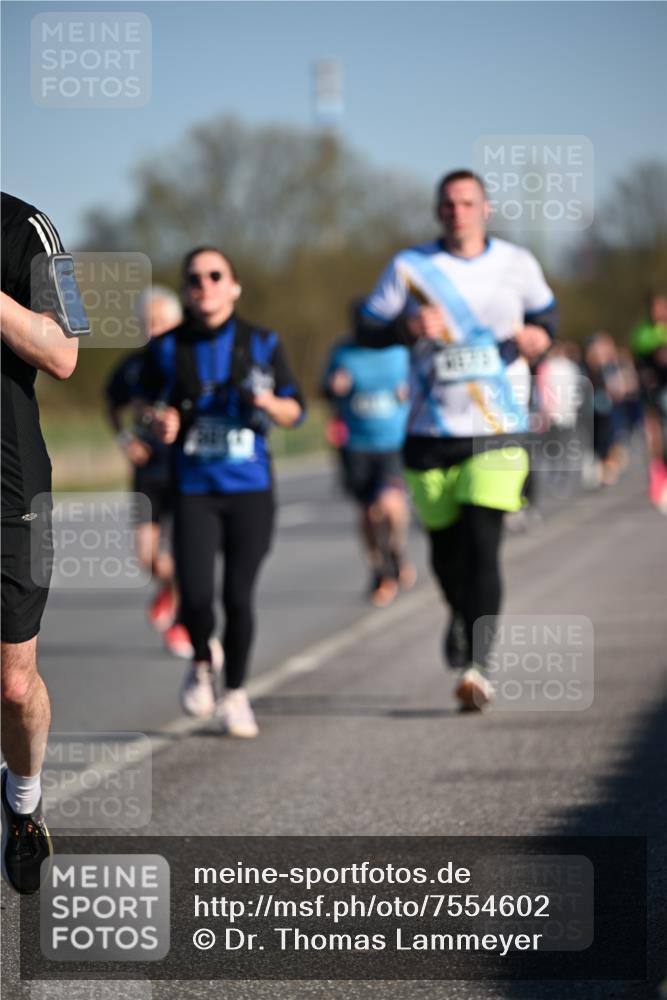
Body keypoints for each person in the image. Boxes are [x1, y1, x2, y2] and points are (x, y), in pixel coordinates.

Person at [357, 170, 556, 711]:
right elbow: (365, 327)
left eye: (467, 202)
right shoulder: (409, 266)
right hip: (429, 430)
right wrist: (406, 329)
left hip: (498, 428)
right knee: (446, 555)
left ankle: (479, 667)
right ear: (437, 210)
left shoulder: (517, 262)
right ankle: (459, 617)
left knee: (482, 542)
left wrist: (541, 336)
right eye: (448, 203)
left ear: (485, 208)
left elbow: (546, 317)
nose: (457, 211)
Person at [140, 247, 304, 737]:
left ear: (233, 286)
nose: (205, 284)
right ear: (187, 289)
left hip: (250, 489)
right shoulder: (167, 347)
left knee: (237, 595)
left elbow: (297, 410)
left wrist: (271, 403)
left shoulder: (262, 341)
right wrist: (157, 421)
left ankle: (235, 692)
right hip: (193, 489)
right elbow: (143, 407)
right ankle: (201, 659)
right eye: (195, 278)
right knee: (194, 594)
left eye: (216, 275)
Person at [1, 192, 80, 892]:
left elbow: (63, 355)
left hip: (7, 491)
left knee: (13, 681)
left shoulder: (25, 227)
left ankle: (23, 803)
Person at [105, 286, 193, 657]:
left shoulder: (191, 360)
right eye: (147, 322)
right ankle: (169, 590)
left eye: (160, 321)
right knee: (146, 556)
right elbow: (112, 404)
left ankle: (182, 623)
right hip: (148, 471)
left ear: (176, 322)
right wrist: (127, 439)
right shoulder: (133, 366)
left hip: (184, 468)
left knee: (188, 553)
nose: (153, 329)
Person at [321, 316, 415, 607]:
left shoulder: (401, 351)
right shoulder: (344, 351)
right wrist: (333, 387)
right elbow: (323, 387)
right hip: (356, 445)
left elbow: (424, 381)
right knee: (367, 513)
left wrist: (410, 392)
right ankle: (379, 571)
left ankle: (396, 548)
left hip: (392, 442)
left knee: (390, 505)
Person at [631, 293, 667, 512]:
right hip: (654, 392)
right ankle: (658, 478)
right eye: (655, 308)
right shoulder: (643, 332)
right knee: (656, 435)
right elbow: (638, 361)